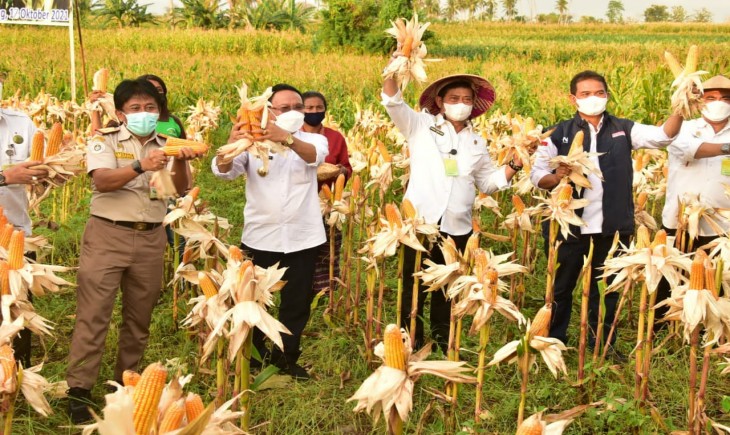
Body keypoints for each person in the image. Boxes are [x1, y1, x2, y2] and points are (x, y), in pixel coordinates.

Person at [66, 79, 200, 423]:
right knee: (94, 315)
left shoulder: (167, 145)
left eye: (150, 108)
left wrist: (180, 162)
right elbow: (102, 181)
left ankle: (124, 386)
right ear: (122, 113)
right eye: (136, 109)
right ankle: (79, 390)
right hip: (108, 235)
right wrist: (142, 164)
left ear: (160, 112)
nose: (144, 114)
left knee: (139, 319)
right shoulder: (104, 140)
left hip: (151, 238)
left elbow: (175, 190)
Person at [530, 70, 684, 357]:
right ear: (573, 98)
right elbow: (537, 175)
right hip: (568, 225)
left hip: (613, 226)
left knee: (607, 289)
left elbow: (664, 136)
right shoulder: (557, 133)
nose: (593, 98)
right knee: (561, 287)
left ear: (607, 95)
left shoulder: (624, 128)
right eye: (586, 94)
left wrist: (681, 104)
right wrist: (558, 175)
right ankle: (554, 340)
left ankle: (602, 343)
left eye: (599, 92)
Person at [382, 68, 526, 352]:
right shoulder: (419, 125)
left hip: (456, 225)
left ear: (473, 105)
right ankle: (410, 337)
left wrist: (514, 166)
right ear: (440, 100)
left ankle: (440, 336)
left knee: (448, 287)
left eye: (466, 99)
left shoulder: (477, 141)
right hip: (419, 224)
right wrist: (396, 65)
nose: (460, 103)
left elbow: (487, 182)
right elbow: (392, 101)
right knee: (413, 285)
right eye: (454, 97)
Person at [211, 83, 328, 380]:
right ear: (268, 110)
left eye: (297, 107)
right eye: (284, 108)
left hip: (304, 238)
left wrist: (286, 138)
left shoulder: (312, 139)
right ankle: (254, 354)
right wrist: (232, 141)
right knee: (254, 300)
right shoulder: (251, 143)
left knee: (296, 304)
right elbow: (223, 171)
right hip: (260, 237)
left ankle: (288, 357)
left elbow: (315, 157)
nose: (292, 112)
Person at [655, 74, 730, 324]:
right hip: (680, 221)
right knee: (671, 279)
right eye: (711, 98)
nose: (718, 103)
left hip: (722, 224)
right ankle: (661, 329)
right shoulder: (682, 128)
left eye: (725, 98)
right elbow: (690, 150)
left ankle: (709, 330)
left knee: (716, 282)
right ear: (699, 101)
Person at [0, 107, 49, 367]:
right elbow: (9, 176)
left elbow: (42, 169)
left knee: (18, 311)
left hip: (17, 235)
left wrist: (46, 172)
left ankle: (17, 378)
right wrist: (4, 177)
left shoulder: (21, 123)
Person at [301, 90, 352, 295]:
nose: (314, 111)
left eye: (319, 108)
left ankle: (325, 292)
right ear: (301, 110)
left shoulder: (335, 137)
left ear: (325, 110)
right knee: (304, 250)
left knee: (327, 249)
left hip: (328, 203)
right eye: (309, 108)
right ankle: (302, 289)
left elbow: (347, 167)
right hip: (300, 202)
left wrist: (339, 171)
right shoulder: (292, 137)